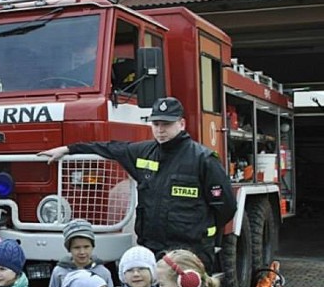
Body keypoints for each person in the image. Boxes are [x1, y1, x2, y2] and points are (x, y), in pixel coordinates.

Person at [39, 97, 236, 271]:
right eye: (156, 123)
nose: (160, 130)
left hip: (190, 252)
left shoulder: (203, 159)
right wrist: (68, 149)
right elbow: (110, 148)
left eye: (166, 124)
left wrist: (200, 232)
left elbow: (226, 207)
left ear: (181, 124)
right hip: (152, 250)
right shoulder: (144, 151)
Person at [49, 219, 114, 287]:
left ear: (93, 246)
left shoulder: (103, 272)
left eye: (86, 247)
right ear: (69, 249)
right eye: (76, 247)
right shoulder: (59, 271)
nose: (82, 252)